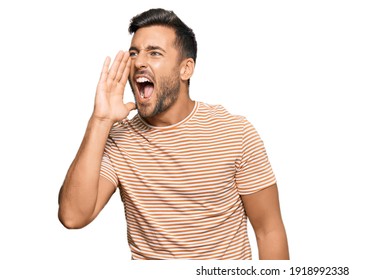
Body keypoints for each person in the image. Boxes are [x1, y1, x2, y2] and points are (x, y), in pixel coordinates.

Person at [58, 8, 289, 260]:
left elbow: (269, 230)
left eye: (154, 53)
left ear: (186, 69)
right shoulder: (118, 139)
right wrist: (100, 120)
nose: (138, 62)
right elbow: (72, 216)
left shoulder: (235, 132)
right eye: (134, 53)